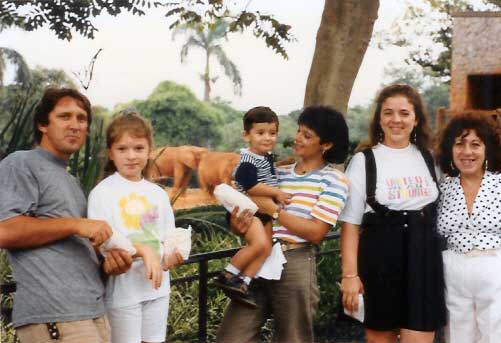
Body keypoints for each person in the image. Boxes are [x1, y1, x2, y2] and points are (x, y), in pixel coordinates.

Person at [0, 87, 132, 343]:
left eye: (81, 119)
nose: (75, 125)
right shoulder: (21, 163)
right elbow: (4, 230)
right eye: (65, 116)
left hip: (93, 312)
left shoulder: (70, 180)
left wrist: (111, 263)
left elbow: (76, 247)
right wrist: (75, 225)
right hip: (56, 316)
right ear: (42, 124)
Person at [217, 106, 350, 343]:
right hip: (258, 260)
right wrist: (240, 224)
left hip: (295, 262)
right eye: (298, 131)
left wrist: (275, 211)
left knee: (292, 338)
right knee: (231, 336)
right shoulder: (277, 174)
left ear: (326, 144)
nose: (297, 138)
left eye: (307, 135)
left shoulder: (333, 180)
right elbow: (251, 208)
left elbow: (316, 232)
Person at [339, 84, 446, 343]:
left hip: (423, 262)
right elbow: (351, 225)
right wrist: (350, 277)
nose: (396, 120)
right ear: (379, 119)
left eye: (404, 113)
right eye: (388, 113)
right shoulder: (363, 161)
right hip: (378, 263)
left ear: (416, 119)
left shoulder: (431, 159)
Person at [87, 110, 183, 343]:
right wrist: (143, 250)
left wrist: (173, 254)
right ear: (111, 153)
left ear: (149, 151)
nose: (131, 156)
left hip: (158, 289)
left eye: (138, 148)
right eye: (122, 149)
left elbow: (171, 235)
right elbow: (106, 239)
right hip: (123, 291)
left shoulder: (157, 193)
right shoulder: (102, 192)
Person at [214, 106, 291, 307]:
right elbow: (251, 186)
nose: (267, 138)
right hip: (249, 211)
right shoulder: (248, 160)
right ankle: (227, 274)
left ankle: (244, 282)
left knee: (266, 249)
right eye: (260, 133)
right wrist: (276, 193)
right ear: (246, 136)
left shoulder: (265, 157)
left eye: (272, 133)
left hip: (262, 212)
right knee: (260, 245)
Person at [436, 113, 501, 343]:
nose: (467, 152)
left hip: (494, 267)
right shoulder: (443, 188)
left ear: (487, 149)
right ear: (450, 149)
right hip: (454, 270)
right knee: (457, 336)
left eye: (475, 144)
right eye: (459, 144)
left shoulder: (499, 184)